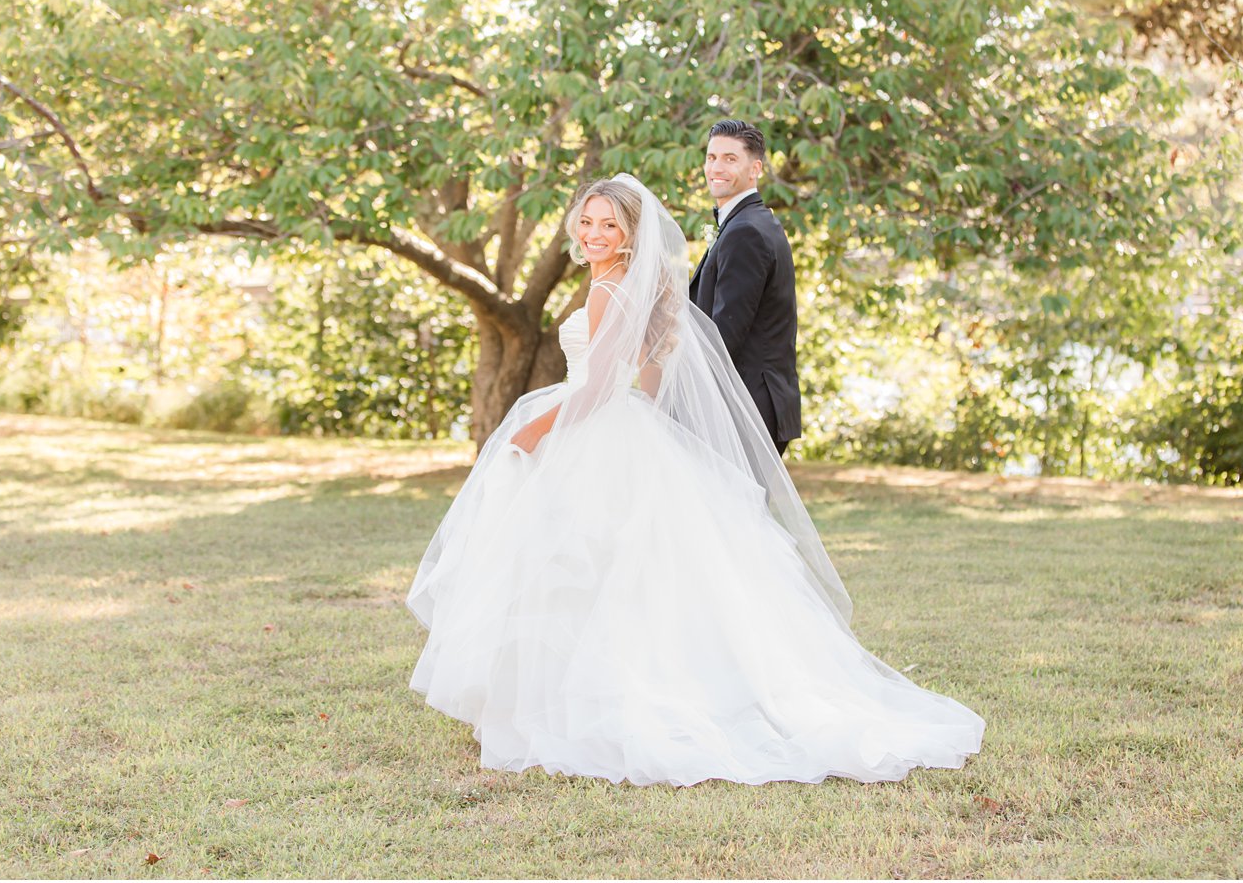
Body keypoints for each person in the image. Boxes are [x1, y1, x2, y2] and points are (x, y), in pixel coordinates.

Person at [406, 174, 983, 787]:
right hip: (621, 429)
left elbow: (600, 387)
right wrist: (645, 432)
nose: (595, 233)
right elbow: (649, 373)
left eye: (610, 225)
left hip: (591, 423)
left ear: (630, 232)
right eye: (588, 221)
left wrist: (537, 430)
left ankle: (592, 701)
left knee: (583, 567)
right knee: (622, 571)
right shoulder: (636, 287)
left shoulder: (609, 292)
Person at [689, 119, 800, 456]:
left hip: (747, 406)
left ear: (755, 169)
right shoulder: (750, 222)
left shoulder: (746, 233)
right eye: (711, 158)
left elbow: (724, 335)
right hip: (749, 402)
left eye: (729, 159)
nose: (716, 167)